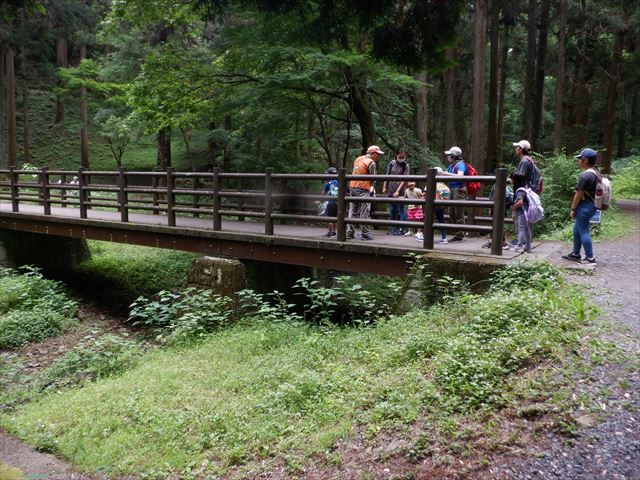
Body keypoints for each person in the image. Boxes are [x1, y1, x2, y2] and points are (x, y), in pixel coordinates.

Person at [562, 148, 599, 265]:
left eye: (580, 159)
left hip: (585, 207)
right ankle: (575, 254)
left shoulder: (585, 175)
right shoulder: (595, 173)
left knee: (584, 231)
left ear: (585, 160)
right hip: (591, 205)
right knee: (576, 230)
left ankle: (590, 258)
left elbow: (578, 193)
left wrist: (573, 209)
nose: (578, 161)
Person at [347, 145, 384, 240]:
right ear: (373, 154)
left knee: (352, 211)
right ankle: (365, 233)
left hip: (352, 187)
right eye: (378, 154)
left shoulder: (358, 159)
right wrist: (371, 186)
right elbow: (372, 178)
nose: (378, 157)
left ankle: (349, 233)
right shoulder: (371, 162)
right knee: (365, 211)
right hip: (363, 188)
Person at [441, 146, 467, 241]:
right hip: (452, 189)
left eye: (449, 155)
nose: (448, 157)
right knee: (451, 212)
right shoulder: (451, 165)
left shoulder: (460, 164)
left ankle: (460, 234)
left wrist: (445, 174)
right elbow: (446, 174)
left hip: (459, 189)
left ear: (453, 156)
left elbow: (460, 176)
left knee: (458, 212)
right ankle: (458, 232)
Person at [382, 151, 410, 235]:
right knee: (392, 209)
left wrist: (398, 191)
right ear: (397, 156)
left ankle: (402, 228)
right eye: (399, 157)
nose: (401, 159)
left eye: (402, 158)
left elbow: (404, 179)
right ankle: (393, 228)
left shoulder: (406, 165)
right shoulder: (392, 163)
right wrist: (384, 186)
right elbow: (387, 174)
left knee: (401, 209)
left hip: (400, 190)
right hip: (391, 188)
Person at [511, 173, 532, 253]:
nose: (511, 180)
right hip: (526, 211)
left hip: (522, 211)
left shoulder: (519, 190)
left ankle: (518, 246)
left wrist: (513, 207)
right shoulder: (524, 188)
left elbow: (520, 202)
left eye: (513, 179)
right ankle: (528, 247)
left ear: (516, 180)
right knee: (526, 228)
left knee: (521, 228)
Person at [321, 166, 338, 237]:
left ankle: (330, 232)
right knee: (335, 218)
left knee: (329, 218)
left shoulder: (328, 183)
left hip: (330, 202)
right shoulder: (338, 181)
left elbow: (323, 192)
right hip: (337, 202)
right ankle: (334, 232)